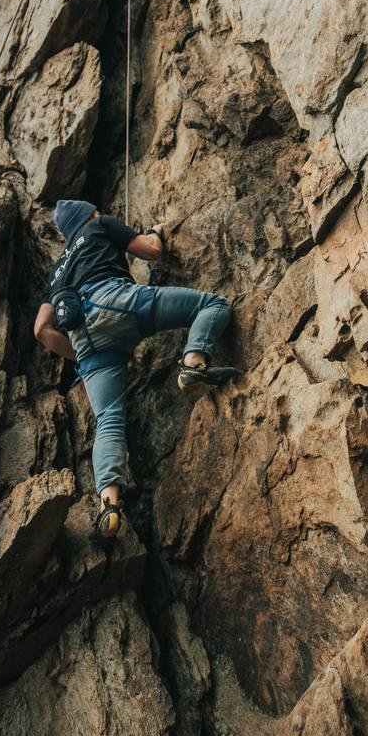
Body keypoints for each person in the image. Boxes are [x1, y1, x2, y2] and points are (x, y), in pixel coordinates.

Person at [33, 199, 238, 542]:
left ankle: (110, 504)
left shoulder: (56, 270)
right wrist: (155, 233)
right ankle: (193, 364)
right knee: (213, 304)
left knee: (109, 419)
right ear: (90, 213)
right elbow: (151, 251)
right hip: (115, 303)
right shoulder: (99, 224)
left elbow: (41, 329)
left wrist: (81, 357)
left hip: (85, 340)